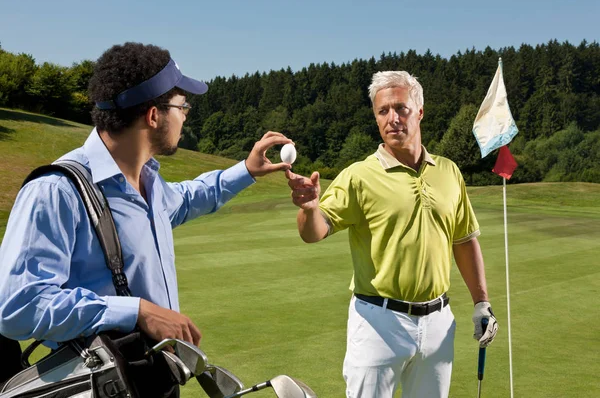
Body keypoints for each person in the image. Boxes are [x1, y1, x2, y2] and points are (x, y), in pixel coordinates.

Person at [0, 42, 292, 359]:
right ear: (154, 116)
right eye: (183, 108)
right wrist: (136, 311)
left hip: (149, 380)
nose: (186, 118)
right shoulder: (56, 191)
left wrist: (247, 170)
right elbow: (18, 306)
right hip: (102, 384)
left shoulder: (150, 183)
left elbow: (191, 197)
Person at [285, 71, 498, 398]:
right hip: (378, 324)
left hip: (439, 323)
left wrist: (481, 302)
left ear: (420, 111)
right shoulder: (358, 176)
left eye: (401, 108)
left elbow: (464, 240)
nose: (392, 118)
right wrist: (310, 208)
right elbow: (314, 232)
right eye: (383, 111)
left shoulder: (449, 172)